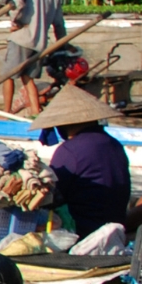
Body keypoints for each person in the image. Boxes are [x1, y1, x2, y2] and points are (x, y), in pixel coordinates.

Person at [31, 85, 130, 235]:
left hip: (83, 230)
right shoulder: (114, 144)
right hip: (115, 227)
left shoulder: (70, 150)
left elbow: (52, 194)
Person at [3, 0, 65, 117]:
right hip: (40, 42)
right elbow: (59, 23)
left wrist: (14, 22)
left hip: (23, 37)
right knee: (27, 77)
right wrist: (63, 44)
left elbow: (17, 3)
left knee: (7, 76)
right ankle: (35, 111)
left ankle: (6, 112)